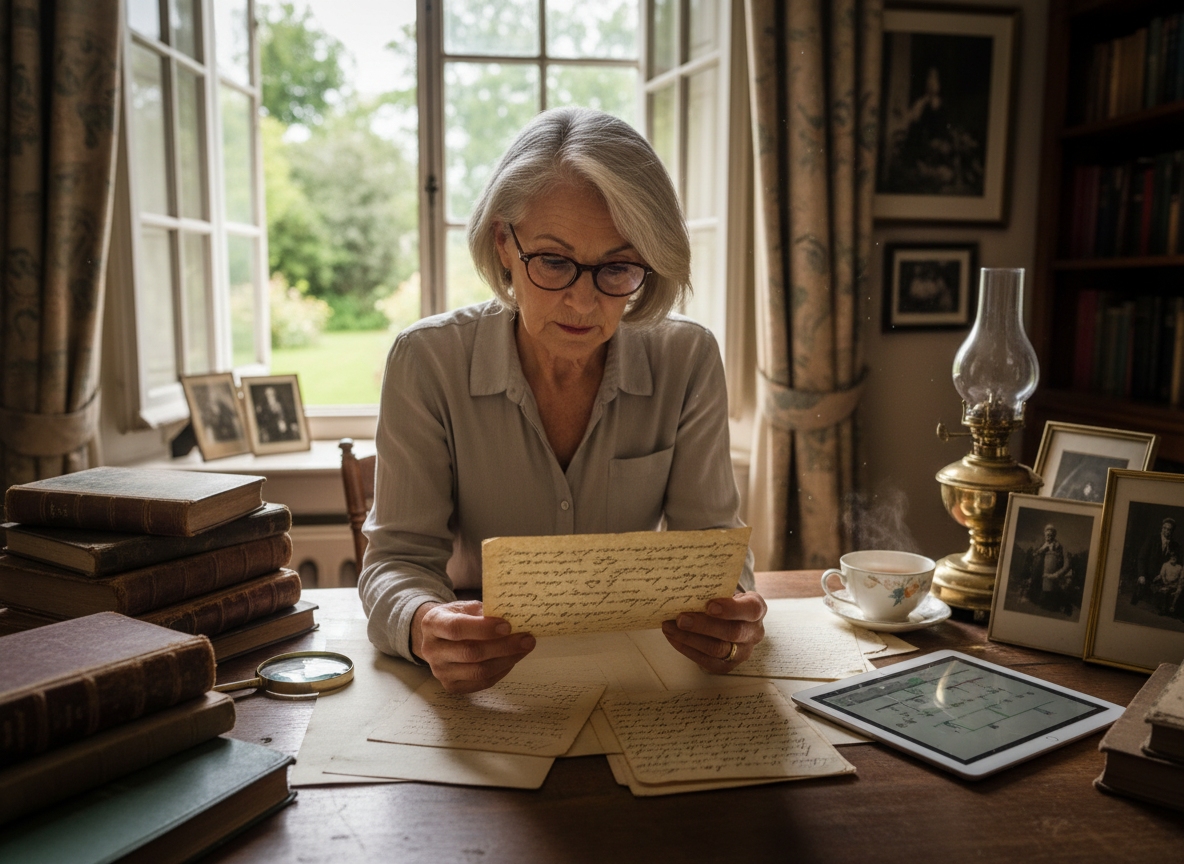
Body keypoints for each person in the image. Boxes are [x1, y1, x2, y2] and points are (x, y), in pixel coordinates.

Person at [359, 108, 765, 693]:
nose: (581, 302)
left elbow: (714, 552)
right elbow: (396, 560)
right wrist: (425, 624)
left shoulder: (688, 359)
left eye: (618, 267)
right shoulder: (426, 361)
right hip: (485, 670)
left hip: (635, 672)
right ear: (503, 242)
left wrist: (731, 615)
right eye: (553, 261)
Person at [1134, 517, 1180, 606]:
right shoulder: (1152, 539)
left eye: (1169, 529)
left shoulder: (1175, 545)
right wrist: (1141, 575)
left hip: (1161, 580)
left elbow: (1175, 564)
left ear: (1172, 531)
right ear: (1162, 528)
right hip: (1146, 577)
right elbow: (1142, 558)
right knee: (1139, 603)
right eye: (1164, 528)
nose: (1166, 531)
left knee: (1156, 607)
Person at [1030, 524, 1072, 614]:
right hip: (1041, 585)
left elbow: (1067, 565)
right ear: (1044, 535)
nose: (1048, 537)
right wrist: (1041, 549)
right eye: (1047, 535)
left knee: (1054, 607)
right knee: (1041, 606)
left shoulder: (1061, 548)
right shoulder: (1041, 548)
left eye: (1051, 535)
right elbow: (1033, 559)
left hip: (1055, 583)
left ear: (1054, 535)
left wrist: (1055, 575)